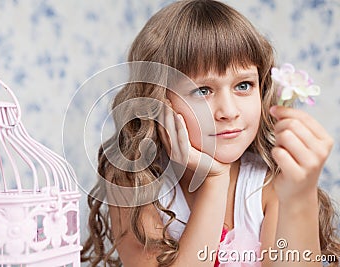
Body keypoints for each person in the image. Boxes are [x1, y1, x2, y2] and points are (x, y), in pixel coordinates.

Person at [81, 0, 340, 266]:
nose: (228, 111)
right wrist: (214, 181)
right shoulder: (133, 181)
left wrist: (301, 195)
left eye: (243, 85)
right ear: (158, 101)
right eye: (202, 91)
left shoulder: (269, 184)